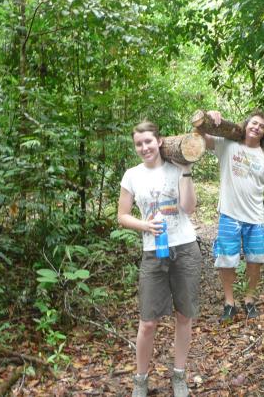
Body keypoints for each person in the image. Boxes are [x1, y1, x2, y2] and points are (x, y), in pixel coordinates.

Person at [118, 121, 201, 397]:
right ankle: (140, 380)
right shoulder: (132, 175)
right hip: (153, 252)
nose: (144, 148)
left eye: (148, 142)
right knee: (148, 322)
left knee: (184, 316)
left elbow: (189, 208)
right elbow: (123, 216)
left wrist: (187, 171)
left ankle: (179, 376)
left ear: (160, 141)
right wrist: (145, 226)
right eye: (139, 144)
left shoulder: (177, 167)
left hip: (185, 248)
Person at [202, 109, 264, 322]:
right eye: (254, 123)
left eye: (261, 126)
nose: (256, 127)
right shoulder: (228, 145)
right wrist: (209, 118)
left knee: (255, 261)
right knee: (226, 260)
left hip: (255, 218)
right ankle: (229, 303)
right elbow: (200, 138)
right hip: (229, 214)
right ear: (246, 124)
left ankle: (249, 300)